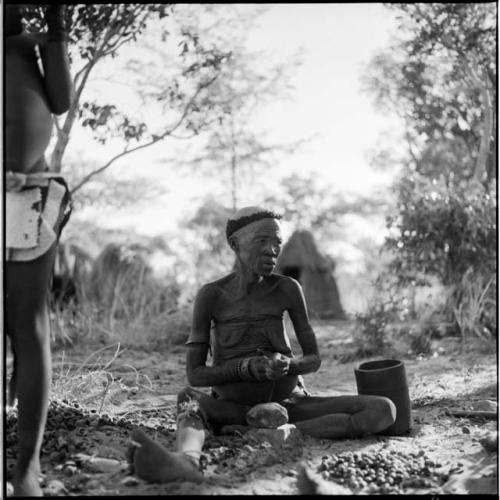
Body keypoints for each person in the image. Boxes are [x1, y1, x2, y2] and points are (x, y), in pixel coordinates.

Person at [130, 206, 396, 483]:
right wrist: (244, 368)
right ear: (235, 244)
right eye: (262, 241)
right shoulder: (212, 295)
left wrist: (288, 365)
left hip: (288, 406)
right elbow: (195, 374)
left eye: (277, 243)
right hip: (233, 407)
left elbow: (313, 358)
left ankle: (270, 431)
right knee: (187, 401)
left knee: (383, 410)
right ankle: (187, 461)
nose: (272, 250)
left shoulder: (288, 289)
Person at [5, 4, 72, 496]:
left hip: (31, 196)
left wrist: (57, 28)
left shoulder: (30, 46)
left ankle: (27, 466)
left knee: (29, 325)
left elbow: (61, 100)